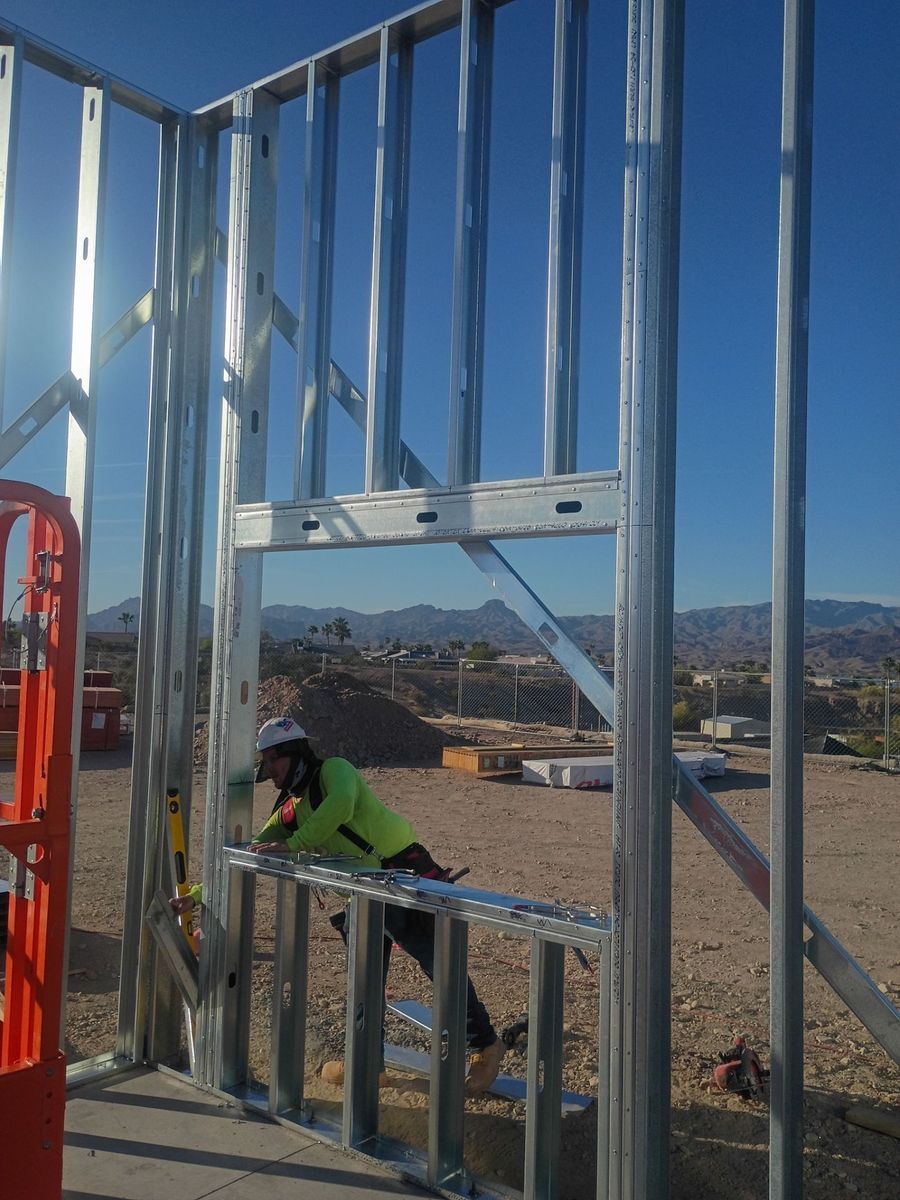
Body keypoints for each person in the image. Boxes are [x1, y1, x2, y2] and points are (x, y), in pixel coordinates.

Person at [171, 714, 505, 1095]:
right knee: (364, 982)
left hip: (399, 877)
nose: (270, 773)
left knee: (438, 965)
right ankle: (367, 1061)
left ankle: (485, 1046)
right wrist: (199, 894)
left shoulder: (336, 771)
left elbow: (342, 806)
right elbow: (249, 853)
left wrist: (295, 844)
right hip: (357, 896)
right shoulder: (290, 810)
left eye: (273, 762)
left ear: (295, 753)